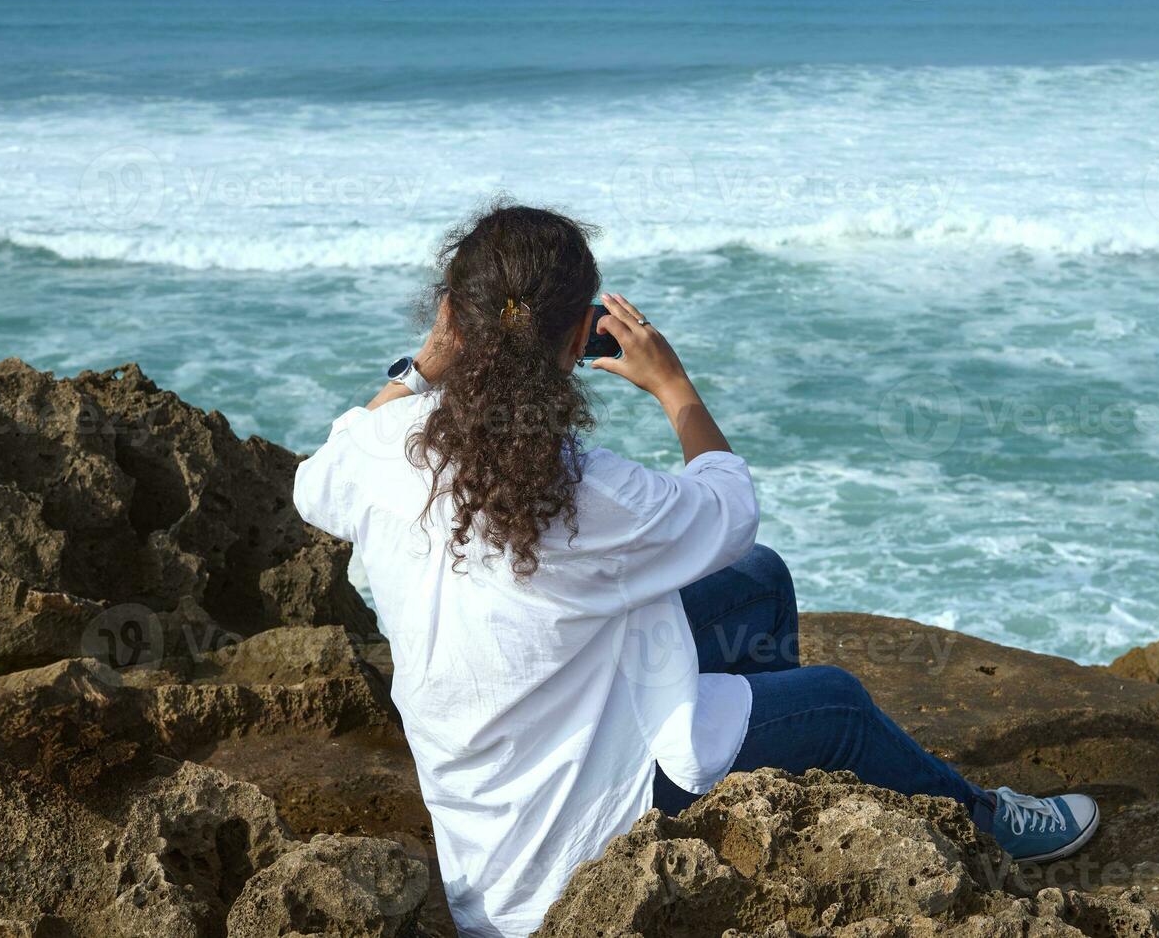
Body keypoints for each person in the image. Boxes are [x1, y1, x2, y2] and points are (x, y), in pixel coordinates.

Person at [293, 202, 1099, 938]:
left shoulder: (379, 452)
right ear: (578, 339)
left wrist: (422, 365)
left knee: (760, 582)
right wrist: (673, 385)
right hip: (574, 826)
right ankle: (986, 826)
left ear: (450, 320)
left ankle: (769, 803)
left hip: (483, 797)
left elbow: (311, 483)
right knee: (838, 703)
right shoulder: (585, 491)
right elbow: (726, 504)